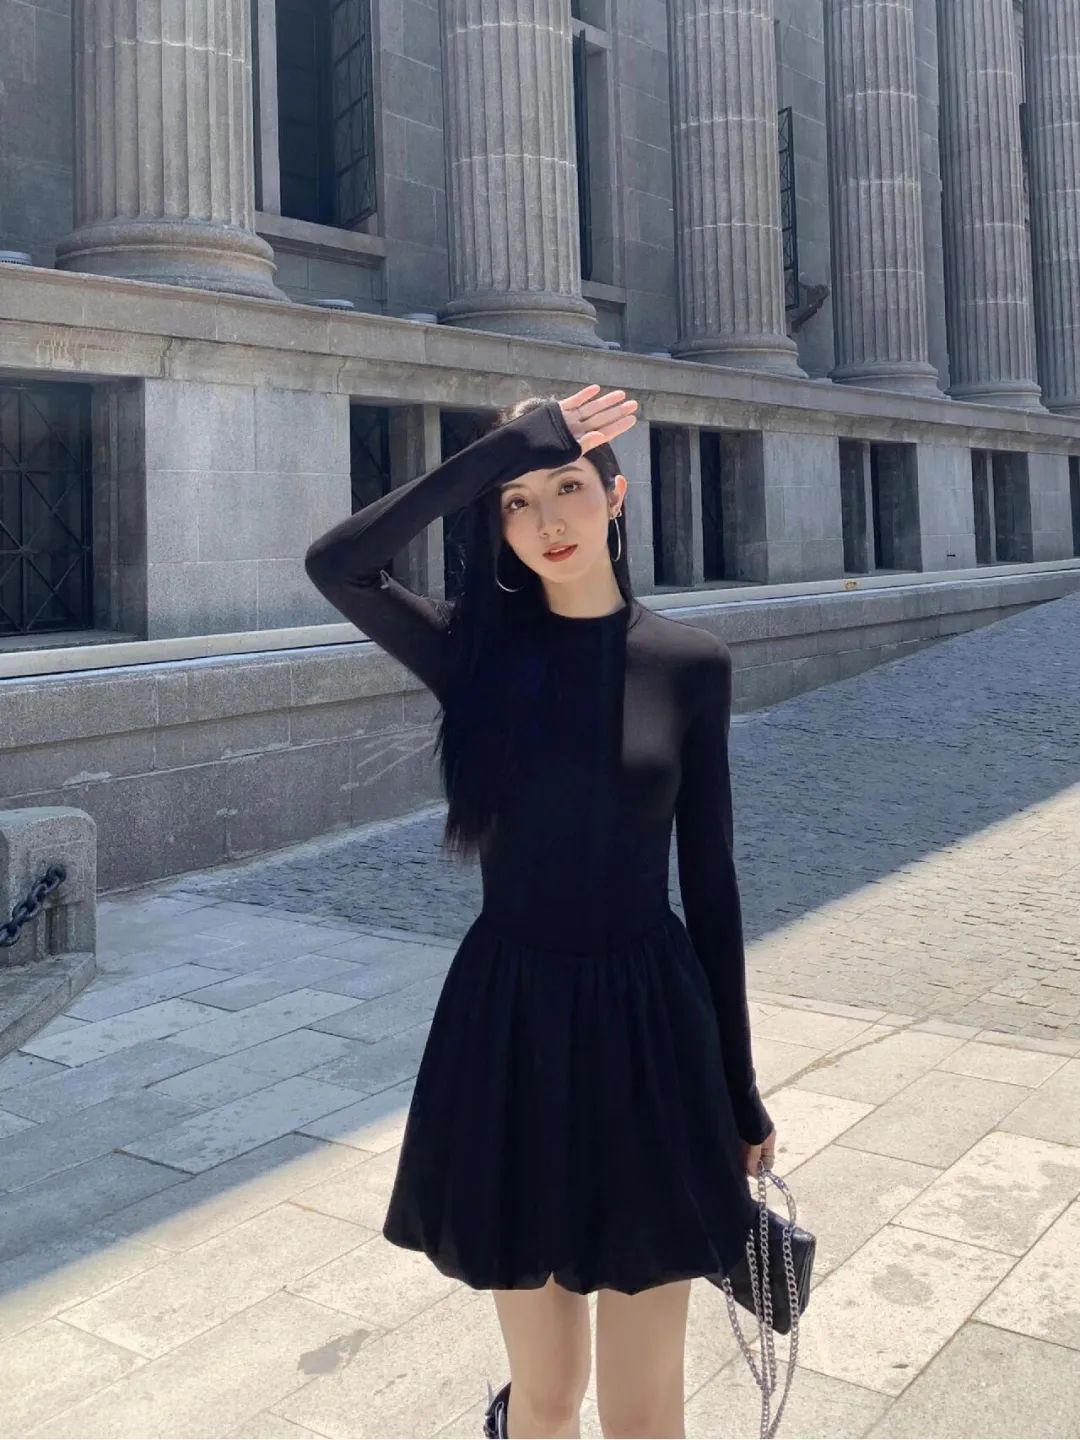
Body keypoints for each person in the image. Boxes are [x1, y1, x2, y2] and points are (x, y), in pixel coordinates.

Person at [304, 384, 778, 1440]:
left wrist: (738, 1092)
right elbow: (336, 565)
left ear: (616, 498)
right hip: (510, 1028)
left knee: (643, 1411)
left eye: (567, 487)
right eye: (517, 502)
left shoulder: (690, 666)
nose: (546, 520)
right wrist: (505, 449)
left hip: (651, 1033)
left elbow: (711, 888)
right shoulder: (476, 656)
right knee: (550, 1396)